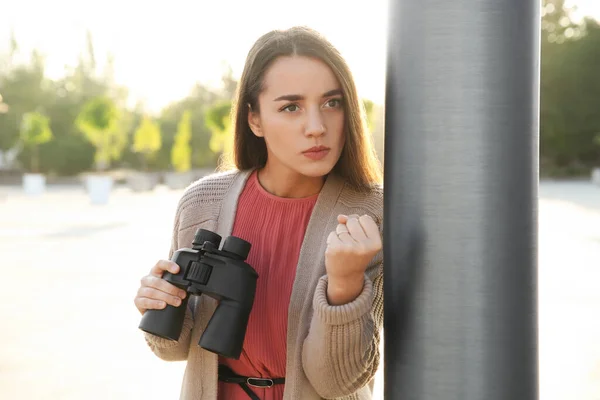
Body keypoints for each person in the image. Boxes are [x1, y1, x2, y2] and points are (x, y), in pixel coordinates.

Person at [134, 26, 384, 400]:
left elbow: (339, 382)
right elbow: (174, 349)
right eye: (291, 107)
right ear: (254, 119)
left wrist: (345, 285)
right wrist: (158, 303)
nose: (317, 127)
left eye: (332, 103)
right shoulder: (202, 203)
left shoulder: (372, 213)